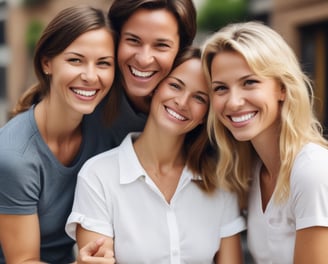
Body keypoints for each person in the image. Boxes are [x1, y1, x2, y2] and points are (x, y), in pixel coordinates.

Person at [66, 47, 246, 264]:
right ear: (154, 90)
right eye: (175, 86)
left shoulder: (219, 182)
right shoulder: (98, 175)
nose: (182, 102)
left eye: (199, 98)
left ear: (205, 115)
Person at [202, 21, 328, 263]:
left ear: (282, 88)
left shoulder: (312, 170)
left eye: (249, 82)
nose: (233, 102)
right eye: (220, 88)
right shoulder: (254, 172)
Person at [0, 5, 117, 263]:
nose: (90, 76)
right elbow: (22, 260)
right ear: (47, 63)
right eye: (75, 60)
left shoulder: (104, 130)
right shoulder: (14, 158)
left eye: (103, 63)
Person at [86, 0, 197, 150]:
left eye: (161, 45)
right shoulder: (87, 92)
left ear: (181, 50)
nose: (144, 60)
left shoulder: (191, 112)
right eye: (133, 40)